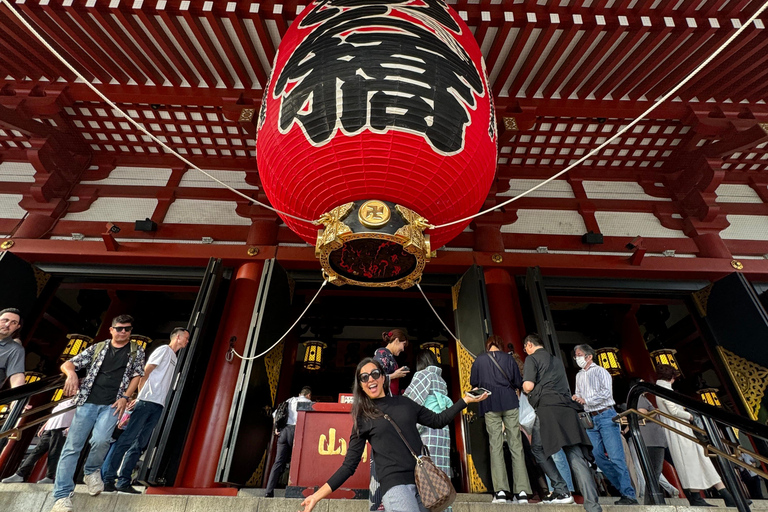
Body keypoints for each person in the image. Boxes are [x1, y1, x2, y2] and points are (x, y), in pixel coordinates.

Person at [299, 357, 488, 512]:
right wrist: (316, 496)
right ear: (361, 385)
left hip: (423, 482)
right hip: (395, 486)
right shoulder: (363, 418)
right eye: (364, 378)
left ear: (382, 377)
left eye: (374, 374)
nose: (370, 380)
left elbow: (437, 420)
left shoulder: (405, 403)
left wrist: (465, 400)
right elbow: (349, 466)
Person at [49, 314, 145, 512]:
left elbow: (137, 375)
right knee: (72, 448)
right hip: (87, 402)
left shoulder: (136, 351)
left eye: (127, 329)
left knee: (101, 440)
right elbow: (69, 363)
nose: (123, 332)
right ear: (111, 329)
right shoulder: (98, 347)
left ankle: (92, 470)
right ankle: (62, 496)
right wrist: (72, 374)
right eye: (119, 328)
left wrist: (126, 397)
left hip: (113, 404)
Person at [101, 327, 190, 494]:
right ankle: (108, 479)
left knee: (139, 444)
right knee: (127, 440)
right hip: (146, 401)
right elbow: (145, 371)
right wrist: (140, 396)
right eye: (186, 337)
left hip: (158, 404)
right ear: (177, 337)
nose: (187, 341)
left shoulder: (174, 358)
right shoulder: (163, 350)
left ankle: (124, 481)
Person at [522, 334, 601, 512]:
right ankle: (593, 505)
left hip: (548, 410)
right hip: (566, 409)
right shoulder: (556, 360)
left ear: (529, 345)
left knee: (537, 449)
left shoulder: (531, 359)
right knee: (575, 454)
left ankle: (561, 489)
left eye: (525, 347)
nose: (525, 350)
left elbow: (528, 386)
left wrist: (524, 386)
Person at [655, 364, 736, 508]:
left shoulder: (661, 388)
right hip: (678, 429)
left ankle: (725, 495)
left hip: (681, 429)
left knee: (696, 461)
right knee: (690, 462)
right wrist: (691, 416)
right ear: (672, 377)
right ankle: (707, 497)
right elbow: (673, 411)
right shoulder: (664, 390)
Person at [572, 344, 637, 505]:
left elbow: (606, 393)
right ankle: (623, 489)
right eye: (575, 355)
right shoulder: (579, 376)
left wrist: (587, 400)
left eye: (579, 354)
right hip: (590, 418)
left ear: (589, 356)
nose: (577, 358)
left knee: (616, 457)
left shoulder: (601, 371)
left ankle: (629, 494)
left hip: (606, 414)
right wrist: (576, 398)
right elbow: (579, 394)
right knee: (598, 457)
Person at [470, 335, 531, 504]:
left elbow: (474, 383)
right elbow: (518, 383)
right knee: (516, 446)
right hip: (510, 402)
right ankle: (522, 492)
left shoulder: (479, 360)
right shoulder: (509, 359)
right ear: (500, 345)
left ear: (488, 345)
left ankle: (501, 492)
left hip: (489, 403)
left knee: (495, 446)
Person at [403, 350, 452, 502]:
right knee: (440, 473)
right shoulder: (440, 379)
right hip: (442, 429)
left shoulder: (423, 375)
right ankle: (443, 505)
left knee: (425, 473)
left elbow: (411, 401)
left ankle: (427, 505)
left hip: (427, 429)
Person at [1, 397, 76, 483]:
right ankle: (20, 474)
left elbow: (80, 417)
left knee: (54, 453)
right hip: (50, 428)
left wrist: (70, 428)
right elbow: (54, 415)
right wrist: (44, 427)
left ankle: (49, 477)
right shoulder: (63, 401)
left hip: (62, 428)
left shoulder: (79, 400)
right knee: (36, 451)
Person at [264, 385, 313, 498]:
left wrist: (276, 427)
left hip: (284, 431)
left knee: (278, 462)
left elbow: (275, 414)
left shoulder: (289, 400)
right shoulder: (308, 402)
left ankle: (269, 491)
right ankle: (297, 489)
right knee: (300, 460)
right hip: (297, 431)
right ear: (308, 395)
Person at [624, 378, 668, 504]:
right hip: (651, 438)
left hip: (650, 438)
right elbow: (641, 414)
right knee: (654, 471)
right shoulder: (640, 398)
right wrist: (655, 412)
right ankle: (654, 500)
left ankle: (653, 500)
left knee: (652, 472)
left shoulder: (639, 399)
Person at [374, 329, 410, 396]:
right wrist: (394, 375)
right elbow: (375, 378)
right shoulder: (382, 354)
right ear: (396, 341)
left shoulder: (388, 355)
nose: (403, 349)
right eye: (403, 344)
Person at [0, 308, 25, 388]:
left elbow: (17, 376)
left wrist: (16, 399)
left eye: (13, 323)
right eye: (5, 320)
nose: (7, 325)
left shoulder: (15, 349)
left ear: (17, 327)